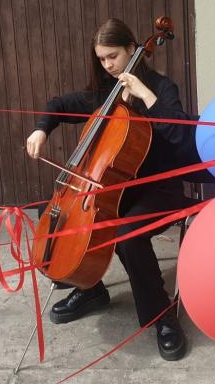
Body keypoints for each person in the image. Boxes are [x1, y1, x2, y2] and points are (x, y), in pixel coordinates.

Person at [25, 18, 197, 361]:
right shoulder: (105, 93)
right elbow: (58, 104)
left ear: (133, 50)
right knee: (53, 215)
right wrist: (41, 129)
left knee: (128, 235)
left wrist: (146, 96)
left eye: (113, 57)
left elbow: (184, 139)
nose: (107, 65)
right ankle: (89, 287)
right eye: (102, 59)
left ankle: (162, 317)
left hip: (158, 190)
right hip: (114, 189)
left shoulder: (163, 90)